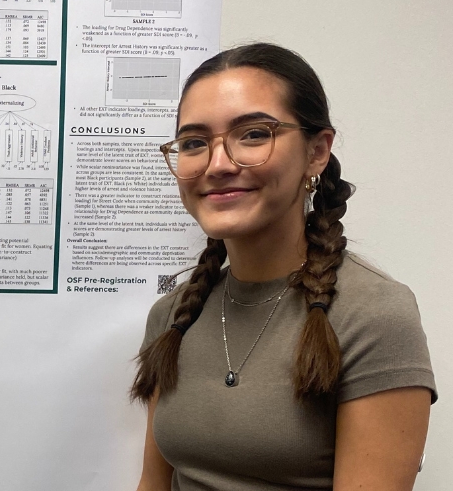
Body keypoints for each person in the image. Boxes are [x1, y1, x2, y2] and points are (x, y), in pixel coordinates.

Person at [132, 43, 436, 491]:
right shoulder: (174, 314)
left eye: (253, 134)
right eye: (194, 143)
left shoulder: (373, 315)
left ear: (317, 152)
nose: (217, 165)